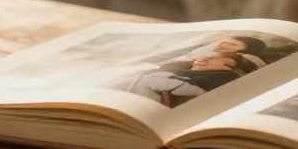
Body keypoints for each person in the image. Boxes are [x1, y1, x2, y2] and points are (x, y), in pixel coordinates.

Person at [107, 54, 257, 107]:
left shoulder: (223, 81)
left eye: (221, 60)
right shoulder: (169, 69)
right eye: (209, 56)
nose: (204, 58)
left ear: (235, 71)